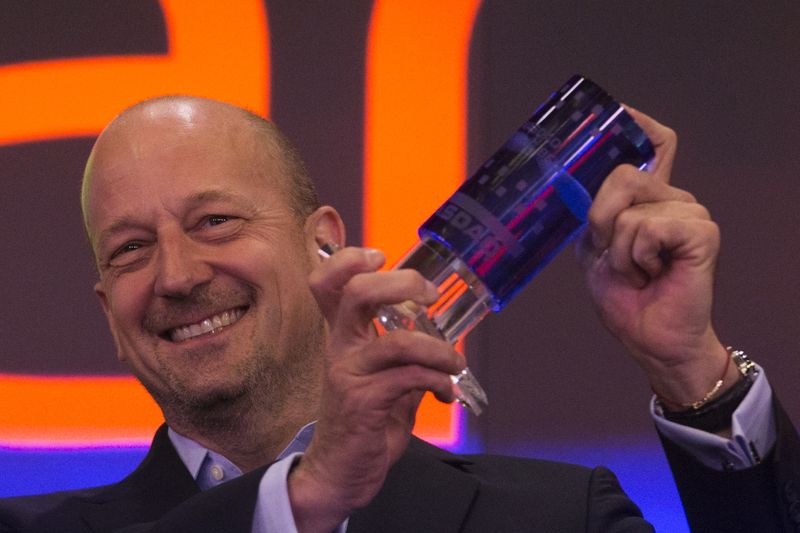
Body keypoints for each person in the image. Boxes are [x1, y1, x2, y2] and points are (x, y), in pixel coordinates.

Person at [0, 95, 792, 532]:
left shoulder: (555, 519)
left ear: (326, 247)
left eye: (216, 222)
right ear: (109, 311)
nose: (175, 274)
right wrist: (300, 500)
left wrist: (691, 372)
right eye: (131, 249)